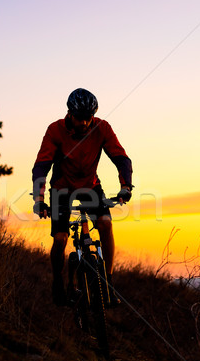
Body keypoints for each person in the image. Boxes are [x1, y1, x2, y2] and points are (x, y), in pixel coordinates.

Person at [32, 88, 133, 307]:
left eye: (89, 118)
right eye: (80, 118)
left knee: (106, 224)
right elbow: (41, 166)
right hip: (61, 188)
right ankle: (58, 280)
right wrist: (39, 199)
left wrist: (125, 186)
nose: (85, 123)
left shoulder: (102, 127)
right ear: (69, 113)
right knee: (60, 239)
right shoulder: (55, 130)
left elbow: (121, 158)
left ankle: (107, 281)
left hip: (90, 187)